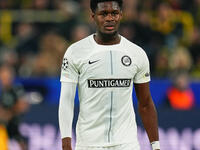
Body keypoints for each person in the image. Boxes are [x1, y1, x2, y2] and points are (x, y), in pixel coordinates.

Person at [58, 0, 160, 150]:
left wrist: (156, 146)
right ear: (93, 16)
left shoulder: (137, 54)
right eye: (103, 14)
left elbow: (145, 103)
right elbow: (66, 101)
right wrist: (66, 143)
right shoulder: (75, 52)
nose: (109, 18)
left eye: (114, 13)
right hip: (89, 144)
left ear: (121, 15)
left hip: (127, 144)